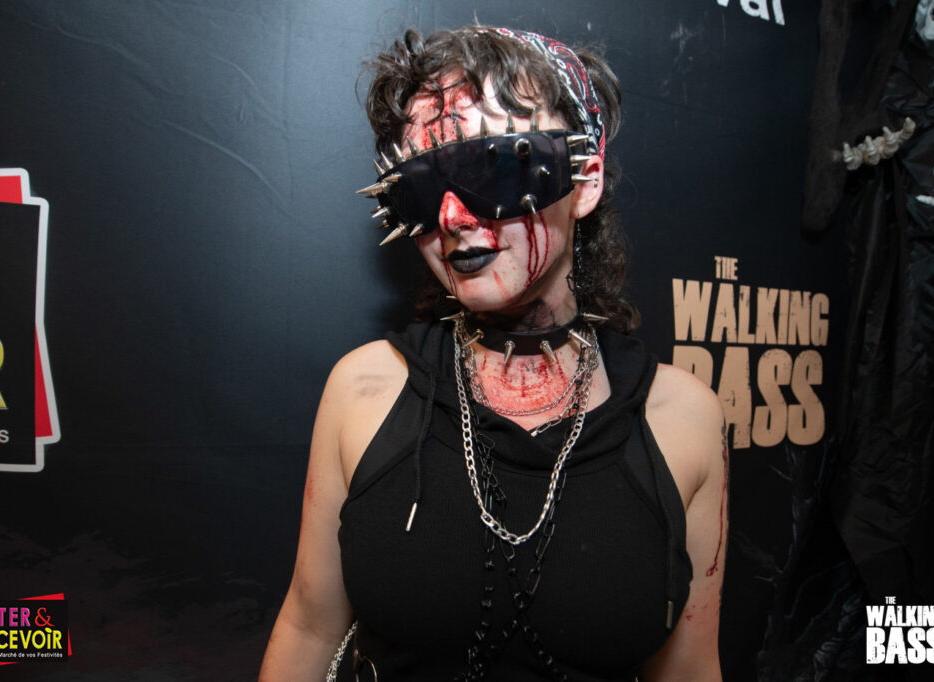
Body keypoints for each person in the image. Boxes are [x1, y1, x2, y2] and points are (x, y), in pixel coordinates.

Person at [260, 26, 727, 682]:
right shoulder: (363, 391)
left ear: (585, 181)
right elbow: (309, 628)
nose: (453, 217)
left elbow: (690, 669)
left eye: (495, 167)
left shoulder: (684, 420)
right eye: (422, 187)